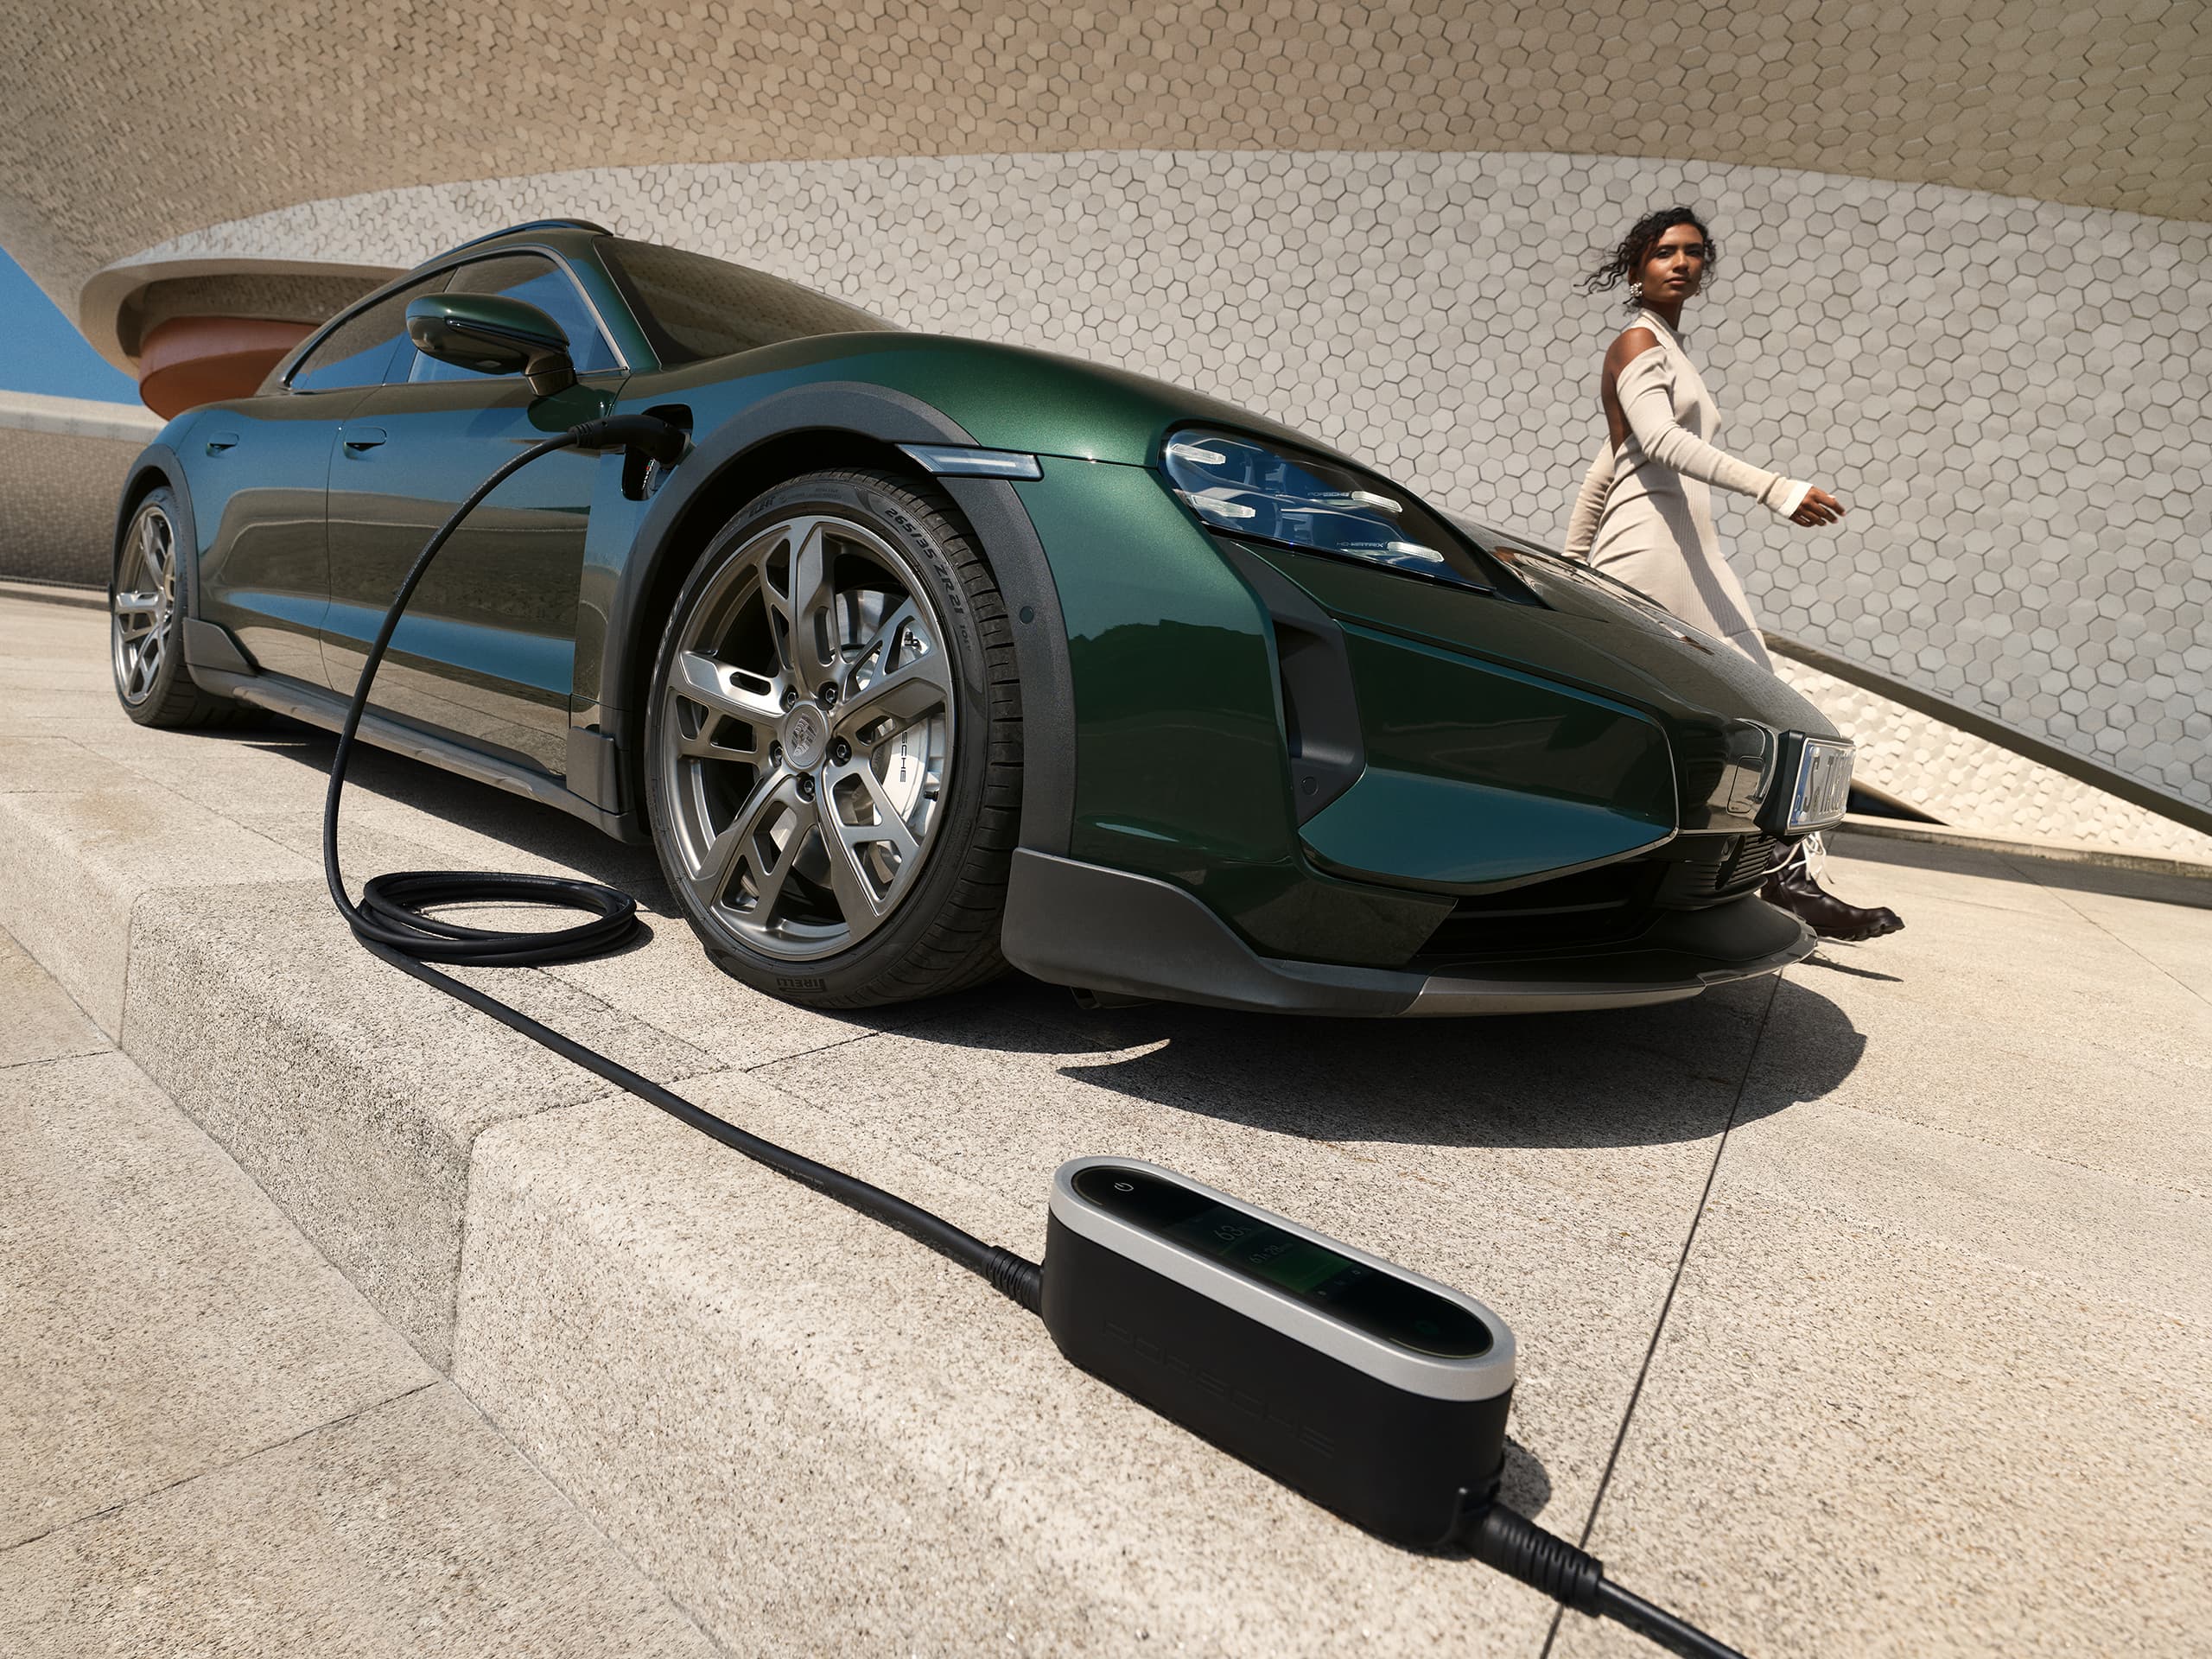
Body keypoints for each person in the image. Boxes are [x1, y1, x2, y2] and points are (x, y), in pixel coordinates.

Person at [1566, 206, 1902, 942]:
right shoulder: (1635, 341)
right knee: (1741, 706)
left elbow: (1606, 463)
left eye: (1692, 254)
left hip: (1688, 546)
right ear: (1636, 270)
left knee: (1757, 708)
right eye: (1663, 254)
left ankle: (1781, 874)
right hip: (1652, 546)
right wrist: (1775, 488)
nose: (1679, 264)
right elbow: (1652, 443)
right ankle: (1768, 877)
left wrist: (1570, 563)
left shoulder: (1669, 352)